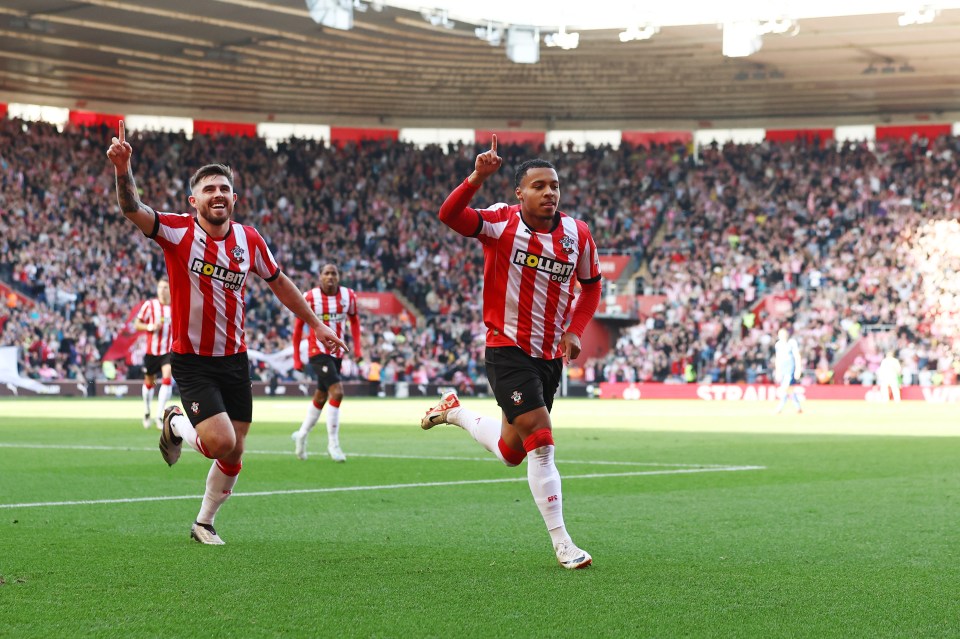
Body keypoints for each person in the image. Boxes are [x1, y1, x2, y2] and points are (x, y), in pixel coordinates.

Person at [107, 121, 346, 545]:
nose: (217, 195)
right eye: (209, 189)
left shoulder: (249, 240)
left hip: (235, 359)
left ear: (234, 198)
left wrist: (317, 324)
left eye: (224, 189)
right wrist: (123, 168)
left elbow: (280, 282)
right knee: (220, 442)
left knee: (235, 454)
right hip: (193, 359)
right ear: (193, 200)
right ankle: (176, 422)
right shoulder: (178, 231)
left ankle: (203, 522)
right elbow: (132, 209)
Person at [420, 135, 602, 570]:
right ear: (520, 193)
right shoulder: (501, 223)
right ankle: (563, 544)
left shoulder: (577, 234)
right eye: (538, 186)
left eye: (554, 185)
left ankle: (454, 413)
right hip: (507, 348)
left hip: (547, 358)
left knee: (510, 452)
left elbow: (592, 287)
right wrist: (477, 177)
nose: (549, 193)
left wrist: (575, 330)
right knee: (542, 442)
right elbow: (449, 215)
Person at [290, 263, 362, 462]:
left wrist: (358, 348)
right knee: (337, 392)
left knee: (321, 397)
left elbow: (355, 322)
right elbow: (297, 330)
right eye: (326, 273)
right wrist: (297, 357)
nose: (330, 276)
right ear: (320, 277)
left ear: (338, 277)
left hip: (337, 353)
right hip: (317, 351)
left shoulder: (349, 296)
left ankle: (302, 436)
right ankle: (334, 444)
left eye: (334, 273)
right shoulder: (310, 297)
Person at [134, 278, 174, 429]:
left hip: (168, 351)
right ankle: (147, 410)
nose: (162, 290)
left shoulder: (175, 306)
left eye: (165, 287)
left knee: (167, 376)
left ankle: (159, 415)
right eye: (160, 287)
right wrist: (150, 326)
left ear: (170, 289)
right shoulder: (150, 305)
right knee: (149, 382)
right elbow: (137, 324)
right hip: (152, 351)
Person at [774, 328, 804, 414]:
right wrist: (777, 371)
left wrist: (798, 369)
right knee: (790, 389)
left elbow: (797, 356)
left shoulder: (792, 343)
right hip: (782, 368)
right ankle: (798, 407)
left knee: (785, 387)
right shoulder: (778, 345)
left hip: (790, 368)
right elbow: (777, 358)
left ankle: (779, 408)